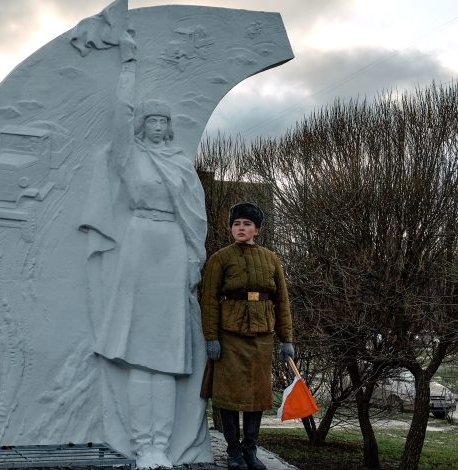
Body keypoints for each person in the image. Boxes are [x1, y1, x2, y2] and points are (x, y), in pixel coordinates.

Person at [80, 31, 208, 468]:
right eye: (150, 120)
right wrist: (129, 67)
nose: (156, 126)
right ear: (142, 125)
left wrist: (194, 260)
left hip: (172, 249)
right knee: (138, 354)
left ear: (169, 127)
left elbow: (196, 220)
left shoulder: (180, 165)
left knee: (168, 357)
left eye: (162, 121)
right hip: (138, 246)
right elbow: (119, 118)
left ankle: (162, 445)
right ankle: (143, 446)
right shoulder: (128, 156)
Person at [200, 202, 294, 470]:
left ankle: (250, 452)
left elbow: (282, 302)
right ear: (231, 228)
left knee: (256, 397)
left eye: (247, 224)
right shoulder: (220, 258)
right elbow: (208, 301)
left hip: (262, 338)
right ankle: (233, 453)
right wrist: (212, 338)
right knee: (229, 397)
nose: (241, 228)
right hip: (229, 338)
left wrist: (286, 340)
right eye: (236, 224)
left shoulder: (271, 259)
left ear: (257, 230)